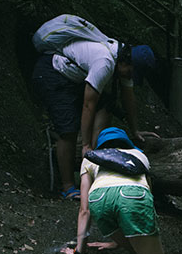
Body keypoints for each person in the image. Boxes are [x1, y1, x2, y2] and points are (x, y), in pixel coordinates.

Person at [32, 32, 157, 199]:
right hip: (53, 73)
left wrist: (136, 131)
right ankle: (68, 186)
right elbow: (88, 104)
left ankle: (95, 159)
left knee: (107, 105)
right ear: (127, 62)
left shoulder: (123, 60)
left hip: (74, 78)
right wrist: (85, 145)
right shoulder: (105, 62)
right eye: (130, 73)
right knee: (67, 129)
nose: (129, 77)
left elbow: (128, 97)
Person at [65, 126, 165, 254]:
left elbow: (84, 210)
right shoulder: (139, 155)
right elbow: (148, 196)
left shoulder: (90, 158)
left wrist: (79, 252)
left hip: (99, 199)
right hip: (133, 195)